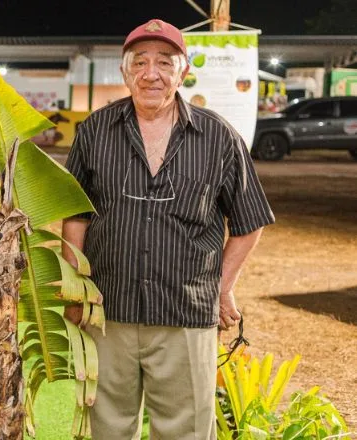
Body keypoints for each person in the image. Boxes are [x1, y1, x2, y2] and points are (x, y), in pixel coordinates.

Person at [62, 19, 274, 439]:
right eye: (139, 62)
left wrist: (222, 286)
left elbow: (249, 222)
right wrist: (74, 289)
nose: (151, 73)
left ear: (184, 69)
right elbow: (75, 216)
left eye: (164, 61)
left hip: (185, 314)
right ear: (125, 71)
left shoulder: (218, 137)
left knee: (187, 431)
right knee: (107, 428)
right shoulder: (94, 132)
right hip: (109, 311)